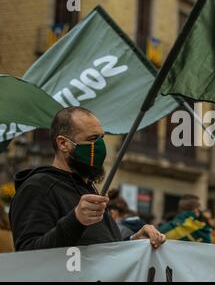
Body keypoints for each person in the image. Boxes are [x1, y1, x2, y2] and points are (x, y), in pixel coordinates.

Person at [9, 107, 165, 251]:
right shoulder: (37, 187)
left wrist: (132, 240)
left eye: (101, 138)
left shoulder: (87, 187)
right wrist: (76, 220)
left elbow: (97, 248)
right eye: (92, 139)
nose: (100, 146)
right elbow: (28, 255)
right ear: (63, 143)